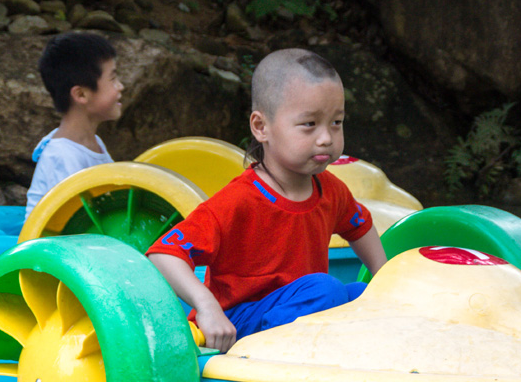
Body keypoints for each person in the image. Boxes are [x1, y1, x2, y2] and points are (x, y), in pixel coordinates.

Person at [147, 48, 387, 352]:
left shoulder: (331, 190)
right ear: (261, 127)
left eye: (336, 122)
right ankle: (267, 355)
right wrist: (207, 308)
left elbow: (359, 225)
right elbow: (164, 253)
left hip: (299, 309)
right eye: (310, 124)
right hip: (238, 324)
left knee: (362, 295)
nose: (326, 137)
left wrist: (385, 284)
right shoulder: (239, 200)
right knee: (326, 289)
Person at [25, 32, 124, 218]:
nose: (120, 86)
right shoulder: (62, 156)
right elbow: (71, 225)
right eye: (112, 79)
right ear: (81, 95)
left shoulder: (94, 142)